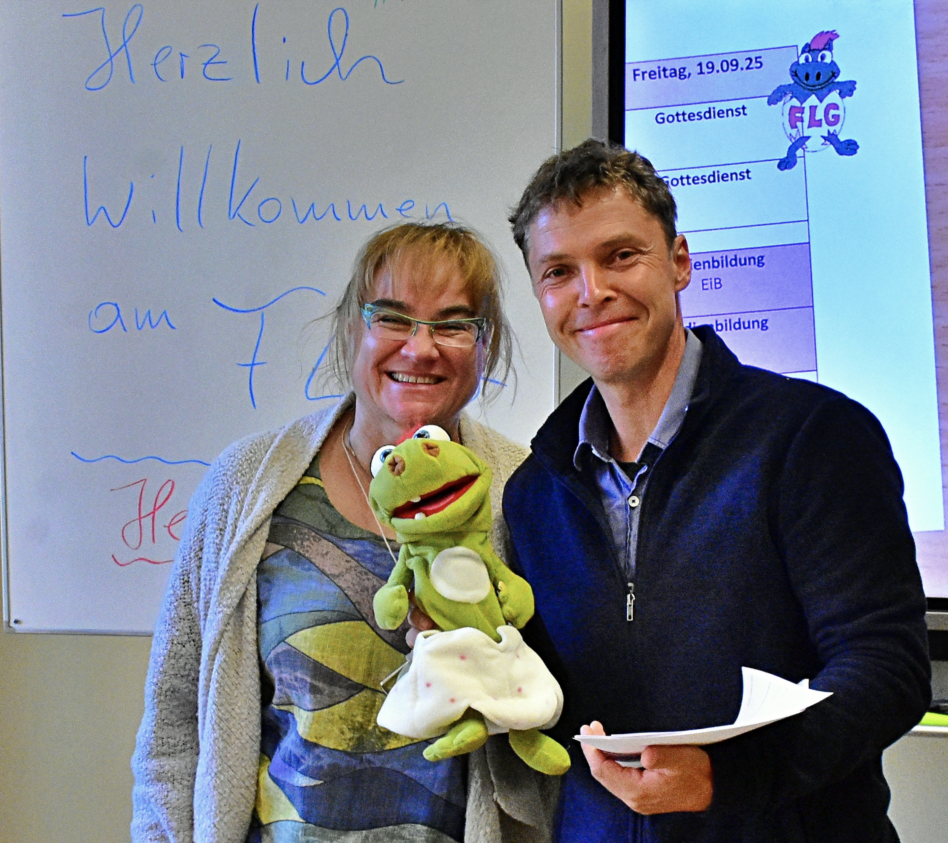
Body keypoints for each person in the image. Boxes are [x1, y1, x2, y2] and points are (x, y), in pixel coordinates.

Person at [501, 139, 931, 842]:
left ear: (679, 261)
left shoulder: (812, 437)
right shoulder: (533, 491)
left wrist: (728, 777)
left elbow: (889, 669)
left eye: (620, 256)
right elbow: (548, 700)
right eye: (559, 272)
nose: (591, 292)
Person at [131, 222, 557, 843]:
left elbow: (561, 708)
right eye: (393, 317)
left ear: (484, 346)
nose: (421, 348)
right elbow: (173, 726)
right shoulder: (246, 487)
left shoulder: (528, 493)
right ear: (352, 330)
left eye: (454, 324)